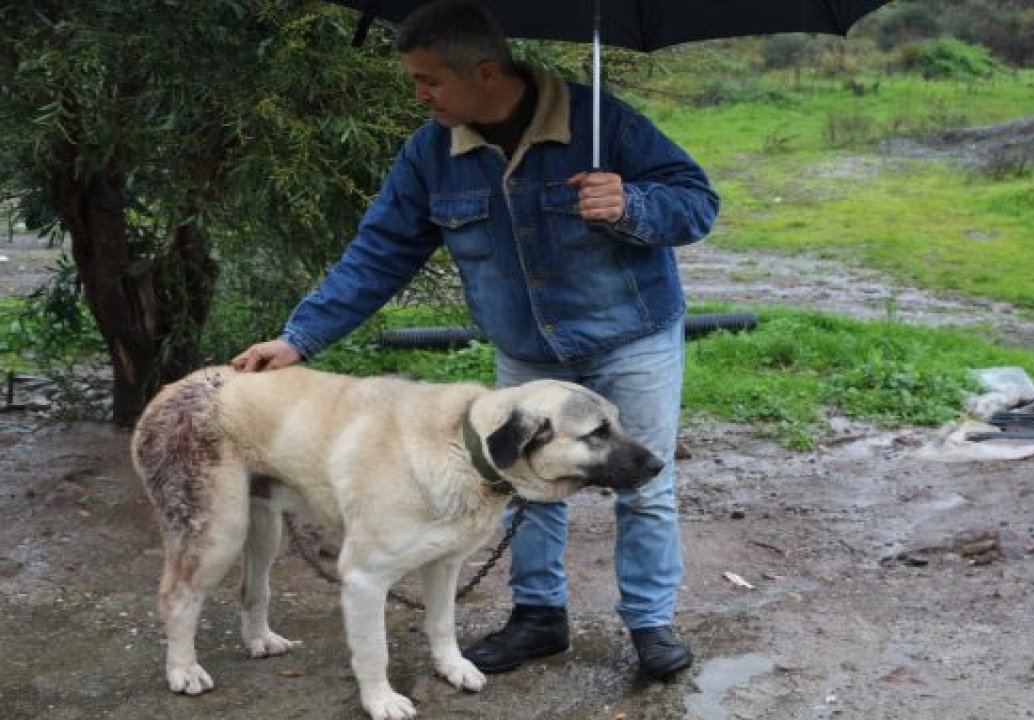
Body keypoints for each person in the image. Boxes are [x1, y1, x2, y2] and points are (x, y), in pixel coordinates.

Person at [231, 0, 718, 681]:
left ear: (485, 72)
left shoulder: (602, 123)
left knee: (641, 483)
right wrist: (299, 339)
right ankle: (538, 618)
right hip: (527, 347)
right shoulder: (430, 154)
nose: (420, 95)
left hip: (629, 336)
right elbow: (379, 252)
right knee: (521, 477)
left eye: (429, 80)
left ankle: (649, 624)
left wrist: (631, 203)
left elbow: (697, 201)